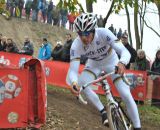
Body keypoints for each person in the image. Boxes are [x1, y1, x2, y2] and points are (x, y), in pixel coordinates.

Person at [66, 13, 141, 130]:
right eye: (80, 34)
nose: (84, 38)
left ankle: (137, 127)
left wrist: (122, 62)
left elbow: (125, 52)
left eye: (86, 33)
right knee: (82, 86)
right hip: (93, 64)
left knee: (125, 94)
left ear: (93, 30)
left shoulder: (104, 33)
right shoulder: (76, 45)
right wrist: (74, 82)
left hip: (112, 61)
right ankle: (103, 112)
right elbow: (73, 70)